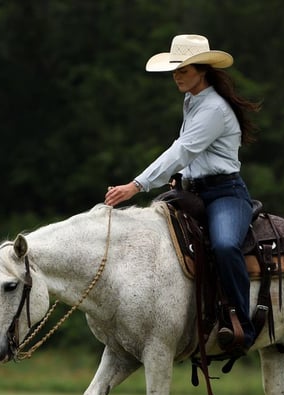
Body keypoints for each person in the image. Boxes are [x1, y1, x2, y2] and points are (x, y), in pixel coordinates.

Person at [104, 34, 261, 352]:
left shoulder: (214, 108)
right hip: (195, 191)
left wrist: (137, 185)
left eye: (184, 70)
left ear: (202, 70)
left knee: (225, 245)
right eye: (175, 70)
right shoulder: (192, 100)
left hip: (226, 194)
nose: (177, 75)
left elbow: (183, 150)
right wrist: (180, 178)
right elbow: (190, 156)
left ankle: (242, 326)